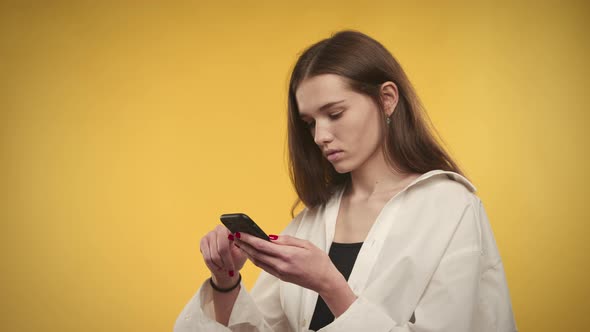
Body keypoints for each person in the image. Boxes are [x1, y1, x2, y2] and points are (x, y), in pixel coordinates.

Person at [174, 30, 517, 332]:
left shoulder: (451, 208)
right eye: (310, 123)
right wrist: (225, 282)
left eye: (335, 114)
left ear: (387, 99)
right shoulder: (309, 222)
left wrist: (329, 285)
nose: (321, 136)